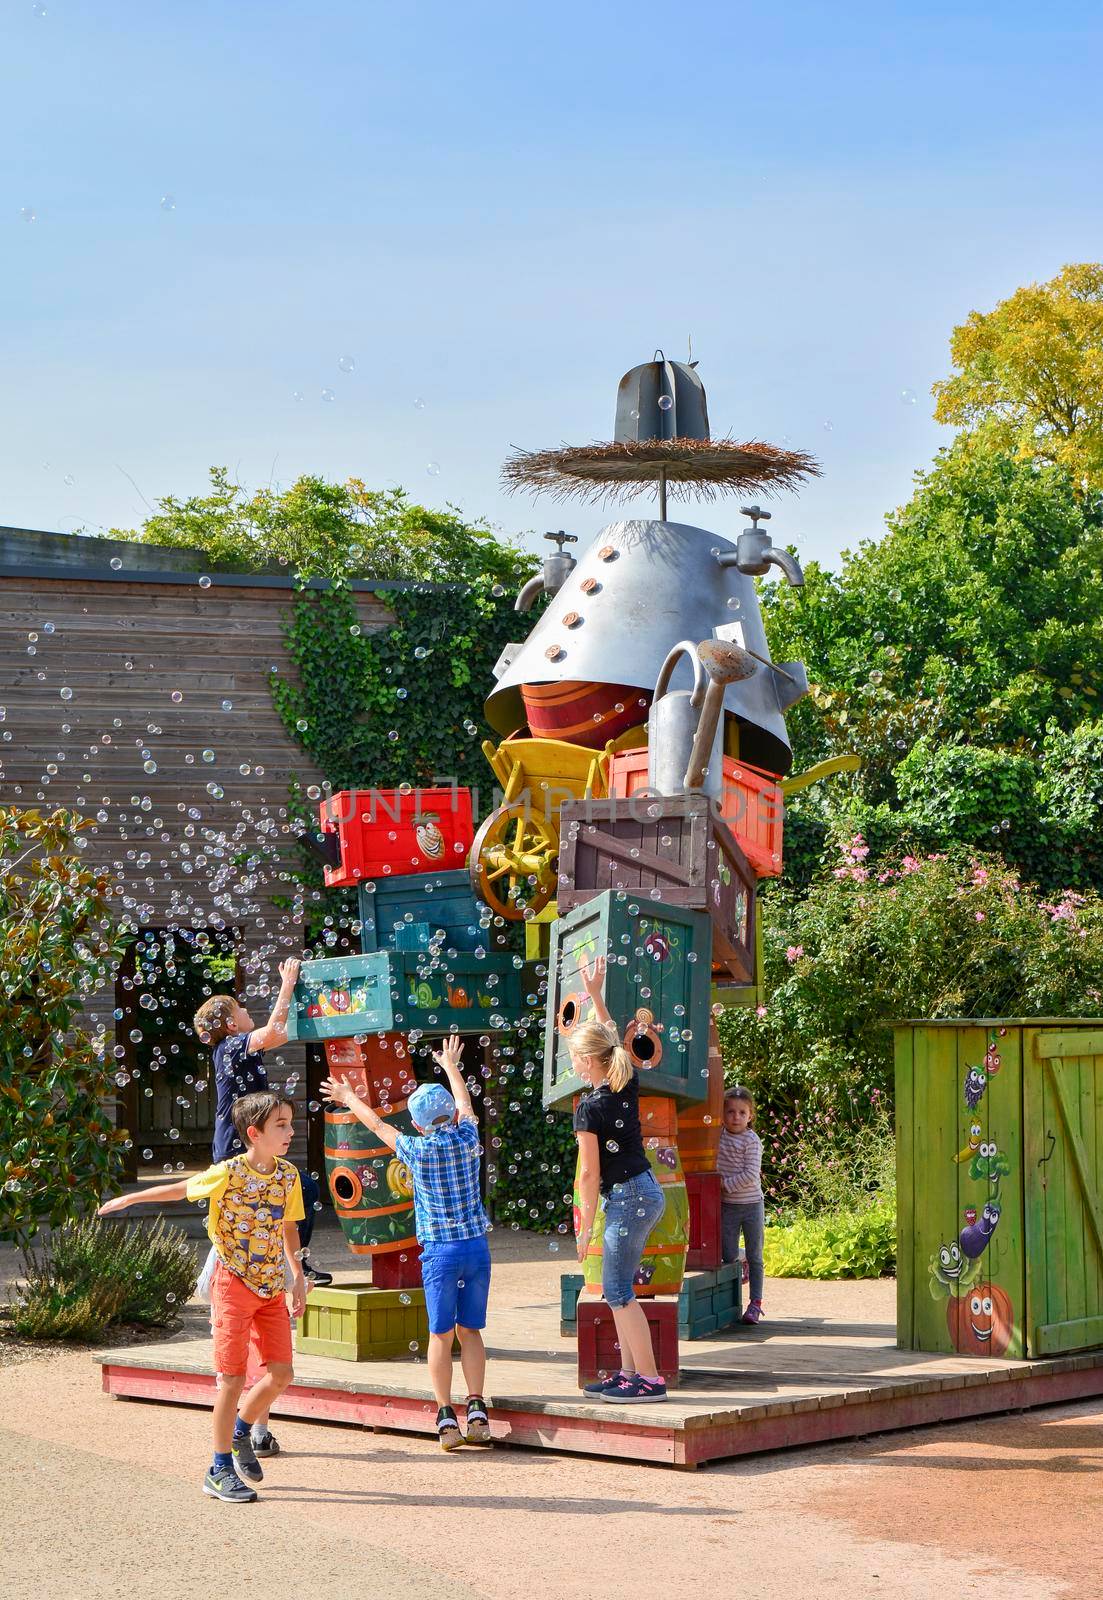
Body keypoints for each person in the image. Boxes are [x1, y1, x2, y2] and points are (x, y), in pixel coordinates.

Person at [99, 1089, 307, 1502]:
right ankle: (218, 1468)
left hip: (269, 1288)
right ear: (254, 1132)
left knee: (281, 1375)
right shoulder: (227, 1173)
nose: (289, 1131)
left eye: (290, 1123)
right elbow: (179, 1189)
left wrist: (297, 1275)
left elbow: (288, 1227)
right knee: (231, 1379)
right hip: (232, 1285)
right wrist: (130, 1197)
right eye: (280, 1125)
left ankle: (242, 1429)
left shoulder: (288, 1176)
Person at [321, 1036, 492, 1452]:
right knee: (471, 1331)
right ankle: (477, 1409)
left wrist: (347, 1096)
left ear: (415, 1124)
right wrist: (451, 1066)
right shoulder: (468, 1137)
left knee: (440, 1335)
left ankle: (445, 1416)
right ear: (450, 1115)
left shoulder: (415, 1149)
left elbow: (378, 1126)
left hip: (439, 1253)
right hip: (476, 1249)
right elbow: (466, 1107)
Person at [192, 955, 329, 1461]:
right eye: (242, 1009)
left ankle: (256, 1427)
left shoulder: (230, 1051)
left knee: (304, 1197)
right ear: (229, 1022)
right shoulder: (232, 1045)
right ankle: (243, 1431)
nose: (249, 1013)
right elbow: (273, 1031)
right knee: (304, 1200)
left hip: (253, 1184)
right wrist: (288, 981)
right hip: (237, 1173)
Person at [570, 951, 668, 1404]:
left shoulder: (590, 1107)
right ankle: (629, 1374)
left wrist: (585, 1225)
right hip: (644, 1192)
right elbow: (611, 1038)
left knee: (616, 1290)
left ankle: (649, 1379)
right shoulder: (623, 1083)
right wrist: (594, 996)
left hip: (627, 1197)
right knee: (620, 1289)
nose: (573, 1063)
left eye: (575, 1056)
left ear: (587, 1062)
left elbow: (589, 1174)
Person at [718, 1084, 765, 1324]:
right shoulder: (719, 1135)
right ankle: (740, 1257)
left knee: (756, 1256)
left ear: (750, 1116)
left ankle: (755, 1303)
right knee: (727, 1254)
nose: (736, 1117)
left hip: (751, 1206)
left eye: (742, 1113)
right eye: (730, 1112)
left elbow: (750, 1174)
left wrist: (723, 1185)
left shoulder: (751, 1140)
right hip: (728, 1207)